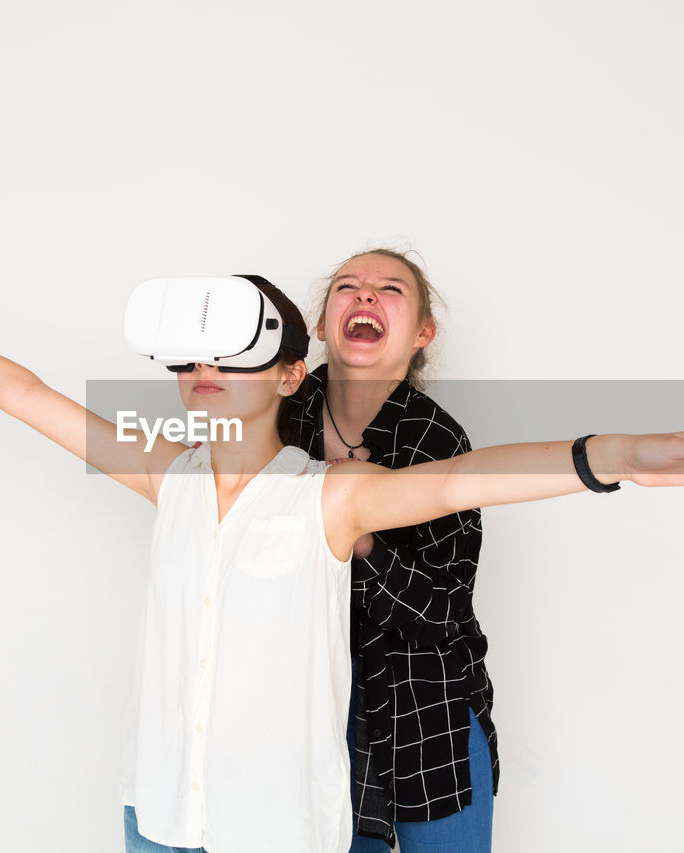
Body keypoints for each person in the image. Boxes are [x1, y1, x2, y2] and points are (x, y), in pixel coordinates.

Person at [0, 257, 684, 853]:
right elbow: (20, 393)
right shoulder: (164, 476)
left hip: (278, 828)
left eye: (232, 354)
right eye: (191, 358)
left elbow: (474, 478)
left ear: (289, 372)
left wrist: (626, 455)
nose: (205, 372)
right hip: (156, 814)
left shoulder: (331, 497)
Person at [289, 249, 496, 850]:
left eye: (389, 289)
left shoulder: (439, 440)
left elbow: (439, 612)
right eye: (347, 287)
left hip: (426, 709)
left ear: (422, 333)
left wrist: (357, 536)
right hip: (307, 709)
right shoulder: (276, 419)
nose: (365, 295)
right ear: (326, 323)